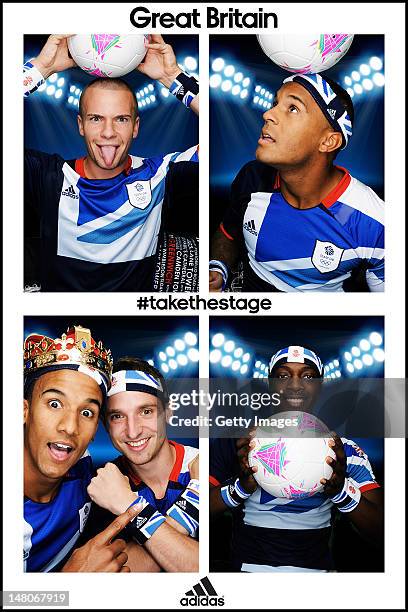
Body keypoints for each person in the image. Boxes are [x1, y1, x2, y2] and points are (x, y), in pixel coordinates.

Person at [24, 34, 199, 291]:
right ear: (80, 125)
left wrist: (172, 77)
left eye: (121, 119)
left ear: (135, 127)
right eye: (96, 119)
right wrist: (40, 68)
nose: (108, 132)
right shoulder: (48, 175)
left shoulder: (158, 174)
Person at [209, 345, 383, 572]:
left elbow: (383, 533)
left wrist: (342, 492)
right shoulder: (238, 442)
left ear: (320, 386)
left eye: (308, 376)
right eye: (282, 376)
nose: (294, 385)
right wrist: (239, 488)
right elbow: (197, 511)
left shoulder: (344, 451)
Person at [209, 73, 384, 292]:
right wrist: (218, 268)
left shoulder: (374, 223)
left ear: (328, 141)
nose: (267, 114)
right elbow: (227, 233)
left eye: (293, 108)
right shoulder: (252, 178)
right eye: (275, 103)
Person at [23, 324, 141, 572]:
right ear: (24, 410)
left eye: (87, 412)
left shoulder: (83, 463)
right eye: (55, 403)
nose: (70, 427)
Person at [83, 357, 199, 572]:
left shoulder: (204, 465)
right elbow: (115, 576)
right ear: (105, 425)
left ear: (169, 411)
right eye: (117, 416)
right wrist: (194, 501)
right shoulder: (101, 486)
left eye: (146, 411)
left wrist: (129, 507)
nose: (133, 431)